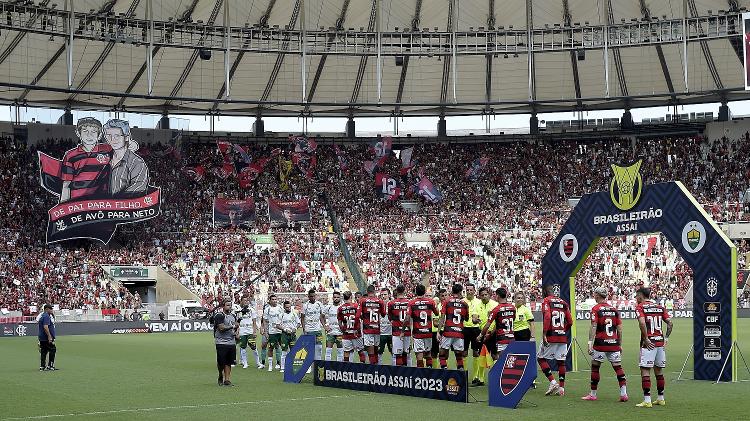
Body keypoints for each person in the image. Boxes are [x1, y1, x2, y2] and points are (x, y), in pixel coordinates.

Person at [582, 287, 628, 402]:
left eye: (594, 294)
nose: (594, 295)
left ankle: (593, 394)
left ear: (597, 295)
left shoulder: (596, 309)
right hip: (613, 343)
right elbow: (620, 329)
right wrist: (620, 344)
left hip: (600, 343)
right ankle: (624, 394)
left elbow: (593, 326)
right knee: (618, 367)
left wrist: (589, 342)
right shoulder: (614, 309)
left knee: (595, 367)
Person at [635, 287, 673, 408]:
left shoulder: (640, 307)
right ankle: (661, 398)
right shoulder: (660, 307)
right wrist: (665, 338)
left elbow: (642, 323)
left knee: (645, 370)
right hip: (660, 343)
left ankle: (647, 400)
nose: (636, 298)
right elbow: (670, 323)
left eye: (637, 296)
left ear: (641, 295)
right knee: (659, 370)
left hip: (649, 343)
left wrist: (646, 338)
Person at [60, 117, 112, 202]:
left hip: (101, 201)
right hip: (77, 202)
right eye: (85, 131)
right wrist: (63, 206)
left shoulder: (107, 149)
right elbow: (66, 184)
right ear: (78, 133)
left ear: (99, 135)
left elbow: (124, 148)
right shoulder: (70, 155)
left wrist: (132, 144)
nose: (89, 135)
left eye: (93, 132)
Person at [538, 284, 573, 397]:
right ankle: (561, 388)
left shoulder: (546, 301)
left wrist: (544, 334)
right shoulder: (563, 303)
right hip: (562, 336)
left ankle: (553, 382)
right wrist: (563, 330)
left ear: (545, 292)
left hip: (551, 335)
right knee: (561, 361)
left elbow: (548, 317)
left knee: (540, 358)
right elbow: (570, 322)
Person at [103, 119, 149, 197]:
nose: (112, 139)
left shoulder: (137, 163)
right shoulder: (103, 158)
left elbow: (139, 187)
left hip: (123, 207)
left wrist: (115, 202)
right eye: (109, 135)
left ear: (126, 137)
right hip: (101, 206)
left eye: (117, 135)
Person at [479, 287, 515, 362]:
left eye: (495, 295)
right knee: (510, 362)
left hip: (502, 339)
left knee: (502, 362)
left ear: (498, 296)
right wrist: (491, 333)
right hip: (512, 338)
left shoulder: (496, 309)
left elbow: (488, 325)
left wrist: (480, 335)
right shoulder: (512, 308)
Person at [438, 284, 469, 370]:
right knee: (459, 354)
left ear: (452, 292)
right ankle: (460, 371)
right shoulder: (465, 304)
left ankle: (444, 370)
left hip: (448, 331)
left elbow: (442, 317)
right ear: (460, 292)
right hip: (459, 332)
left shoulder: (447, 302)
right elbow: (466, 319)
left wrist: (438, 331)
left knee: (442, 353)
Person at [410, 283, 439, 368]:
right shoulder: (430, 302)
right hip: (428, 332)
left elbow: (409, 316)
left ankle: (421, 375)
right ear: (424, 292)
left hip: (418, 332)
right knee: (428, 353)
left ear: (416, 292)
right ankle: (429, 372)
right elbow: (437, 313)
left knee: (419, 355)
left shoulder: (412, 303)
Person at [358, 285, 386, 364]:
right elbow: (384, 314)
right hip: (376, 329)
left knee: (370, 352)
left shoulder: (363, 301)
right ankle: (376, 368)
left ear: (367, 291)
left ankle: (373, 370)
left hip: (367, 329)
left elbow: (357, 315)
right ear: (374, 292)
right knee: (376, 350)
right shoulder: (380, 301)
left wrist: (363, 317)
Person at [475, 286, 498, 384]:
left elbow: (498, 321)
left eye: (486, 294)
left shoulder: (495, 305)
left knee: (495, 355)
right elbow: (474, 318)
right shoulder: (477, 305)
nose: (484, 296)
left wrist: (491, 332)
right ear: (479, 296)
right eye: (482, 295)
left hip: (493, 333)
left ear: (489, 295)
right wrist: (475, 320)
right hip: (482, 333)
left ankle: (497, 377)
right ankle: (481, 379)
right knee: (482, 355)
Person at [213, 300, 238, 386]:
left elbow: (236, 326)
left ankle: (227, 380)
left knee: (229, 362)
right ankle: (220, 374)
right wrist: (233, 326)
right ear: (223, 306)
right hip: (221, 342)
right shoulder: (219, 315)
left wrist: (236, 333)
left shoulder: (233, 315)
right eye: (227, 305)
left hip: (231, 342)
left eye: (230, 305)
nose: (229, 307)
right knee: (221, 362)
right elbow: (221, 328)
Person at [463, 284, 483, 384]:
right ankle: (464, 376)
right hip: (464, 328)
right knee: (464, 352)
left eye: (471, 290)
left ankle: (475, 376)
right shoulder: (462, 301)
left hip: (476, 329)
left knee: (476, 352)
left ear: (474, 291)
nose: (469, 291)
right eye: (468, 290)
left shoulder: (479, 302)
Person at [338, 291, 366, 363]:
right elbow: (362, 317)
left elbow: (340, 322)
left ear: (344, 298)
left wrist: (342, 330)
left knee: (346, 352)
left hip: (346, 334)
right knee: (361, 351)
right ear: (351, 297)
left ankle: (347, 370)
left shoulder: (340, 308)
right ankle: (363, 368)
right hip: (356, 333)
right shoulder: (357, 306)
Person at [388, 285, 411, 366]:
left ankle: (398, 375)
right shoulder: (409, 302)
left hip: (396, 331)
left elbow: (389, 317)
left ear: (396, 291)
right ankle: (407, 373)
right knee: (406, 354)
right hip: (407, 331)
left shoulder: (391, 303)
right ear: (404, 291)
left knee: (397, 355)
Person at [300, 288, 326, 362]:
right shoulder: (305, 305)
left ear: (316, 296)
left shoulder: (319, 304)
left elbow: (322, 316)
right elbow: (302, 318)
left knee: (319, 347)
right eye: (311, 296)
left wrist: (324, 325)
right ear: (308, 297)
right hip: (309, 329)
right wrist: (304, 329)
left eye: (314, 296)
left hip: (318, 329)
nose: (313, 298)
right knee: (308, 348)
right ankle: (308, 365)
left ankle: (318, 363)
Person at [236, 297, 262, 369]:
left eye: (247, 300)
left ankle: (258, 363)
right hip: (242, 331)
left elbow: (254, 321)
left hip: (250, 330)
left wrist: (254, 331)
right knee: (243, 347)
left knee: (253, 346)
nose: (246, 302)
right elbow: (237, 323)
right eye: (244, 300)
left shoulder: (252, 310)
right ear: (241, 301)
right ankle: (245, 363)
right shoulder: (239, 311)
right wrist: (237, 332)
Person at [262, 295, 284, 372]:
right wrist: (266, 331)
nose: (274, 301)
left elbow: (284, 318)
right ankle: (270, 366)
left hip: (281, 331)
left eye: (275, 299)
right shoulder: (267, 310)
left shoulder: (281, 308)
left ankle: (282, 365)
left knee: (283, 348)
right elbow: (264, 321)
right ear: (270, 300)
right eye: (273, 299)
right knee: (270, 348)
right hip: (272, 332)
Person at [279, 301, 301, 373]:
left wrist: (295, 328)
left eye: (289, 307)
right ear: (284, 307)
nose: (288, 308)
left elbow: (298, 323)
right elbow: (277, 325)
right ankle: (282, 367)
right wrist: (285, 329)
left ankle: (292, 366)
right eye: (287, 307)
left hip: (292, 335)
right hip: (284, 335)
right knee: (284, 351)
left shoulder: (294, 314)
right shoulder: (281, 315)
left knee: (293, 351)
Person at [324, 291, 344, 362]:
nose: (336, 298)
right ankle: (327, 367)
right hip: (330, 332)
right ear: (332, 298)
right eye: (335, 297)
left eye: (338, 297)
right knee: (328, 351)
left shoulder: (342, 307)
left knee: (340, 352)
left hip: (340, 332)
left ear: (340, 298)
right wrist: (325, 326)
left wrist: (343, 328)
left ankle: (338, 368)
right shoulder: (328, 307)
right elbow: (321, 316)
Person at [430, 288, 447, 368]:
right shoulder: (437, 307)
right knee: (434, 352)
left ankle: (444, 369)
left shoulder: (450, 305)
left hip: (446, 332)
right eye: (442, 296)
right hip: (436, 331)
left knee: (445, 352)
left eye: (445, 295)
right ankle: (435, 370)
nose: (444, 297)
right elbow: (436, 323)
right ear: (439, 297)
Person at [38, 304, 57, 371]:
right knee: (53, 349)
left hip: (42, 337)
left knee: (44, 351)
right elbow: (45, 327)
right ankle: (50, 365)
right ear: (47, 309)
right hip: (46, 337)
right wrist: (49, 336)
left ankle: (42, 366)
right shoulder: (46, 316)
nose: (52, 310)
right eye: (51, 309)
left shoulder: (43, 316)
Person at [378, 288, 394, 364]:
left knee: (393, 353)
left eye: (385, 294)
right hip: (381, 334)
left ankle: (394, 373)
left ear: (389, 295)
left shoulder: (393, 305)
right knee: (379, 354)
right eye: (382, 295)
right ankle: (378, 372)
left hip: (391, 333)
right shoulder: (377, 305)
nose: (383, 296)